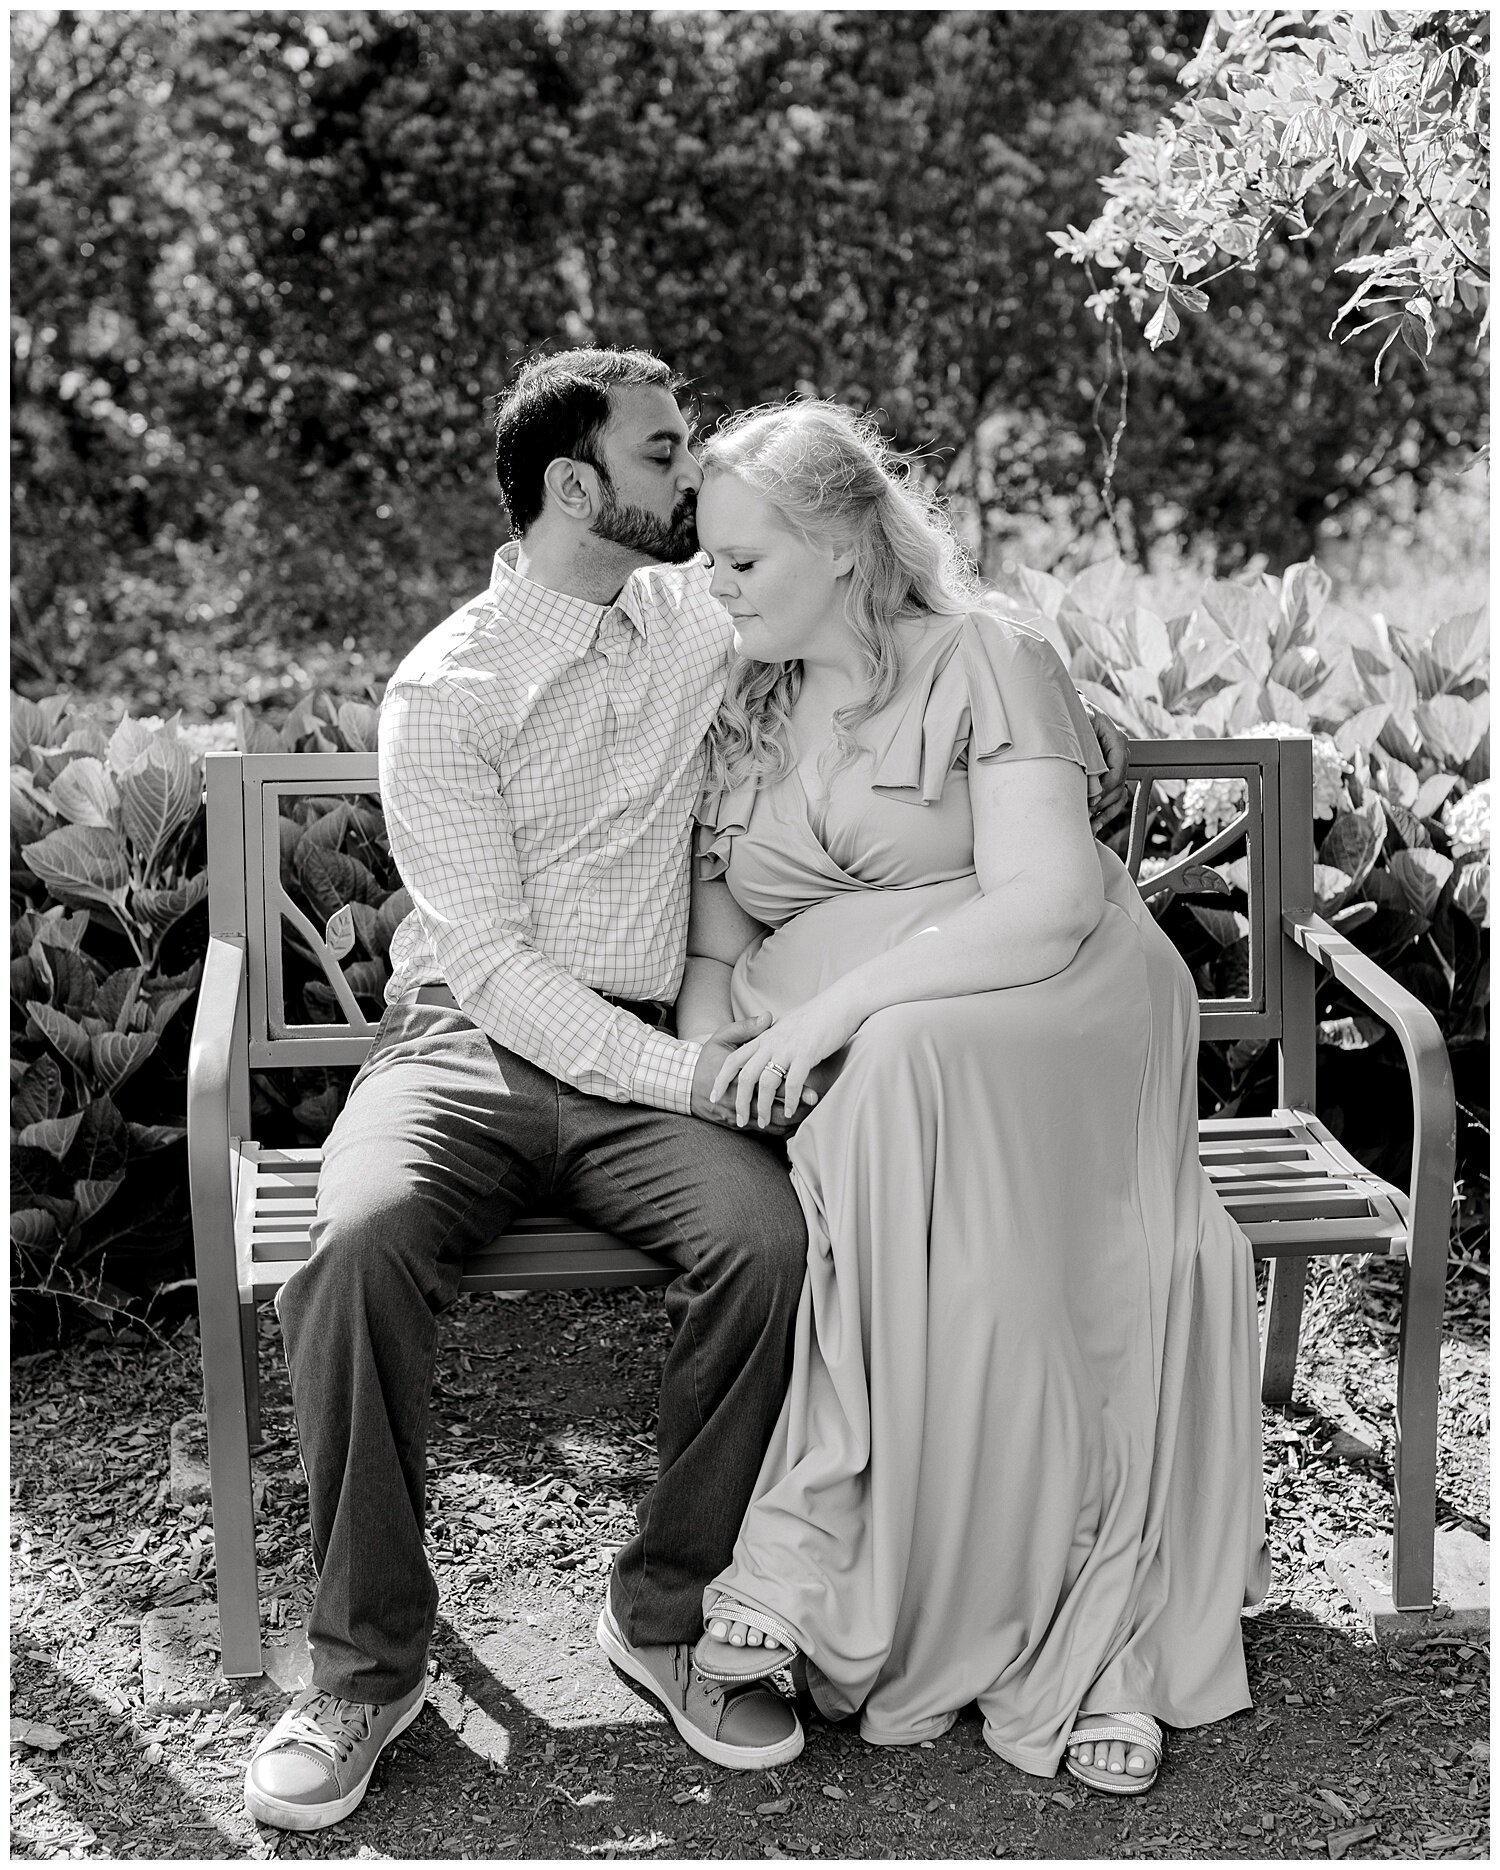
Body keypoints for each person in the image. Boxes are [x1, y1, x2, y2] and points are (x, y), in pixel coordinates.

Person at [241, 350, 1131, 1832]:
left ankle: (666, 1608)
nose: (695, 476)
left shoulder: (698, 616)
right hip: (467, 1051)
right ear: (579, 489)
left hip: (652, 1061)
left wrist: (1031, 690)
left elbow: (865, 616)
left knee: (768, 1244)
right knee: (354, 1245)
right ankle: (361, 1666)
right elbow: (500, 967)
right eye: (665, 457)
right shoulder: (445, 689)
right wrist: (702, 1074)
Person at [679, 400, 1271, 1796]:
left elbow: (1054, 902)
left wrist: (832, 1007)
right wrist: (714, 1075)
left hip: (1046, 1005)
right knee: (888, 1091)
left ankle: (1012, 1600)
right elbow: (711, 952)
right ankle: (920, 1571)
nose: (717, 586)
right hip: (840, 1059)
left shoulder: (986, 655)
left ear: (838, 544)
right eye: (707, 561)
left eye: (742, 560)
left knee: (905, 1067)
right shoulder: (734, 706)